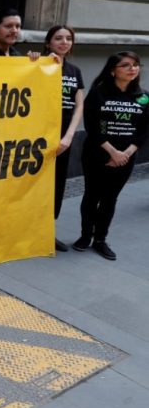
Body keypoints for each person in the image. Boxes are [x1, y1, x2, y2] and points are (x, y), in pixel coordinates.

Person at [72, 51, 149, 260]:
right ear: (113, 71)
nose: (132, 68)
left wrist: (125, 153)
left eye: (135, 64)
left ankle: (100, 240)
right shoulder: (99, 93)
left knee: (109, 199)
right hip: (97, 154)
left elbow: (143, 131)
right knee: (91, 196)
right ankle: (85, 236)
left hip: (126, 157)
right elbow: (92, 125)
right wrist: (112, 151)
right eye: (126, 65)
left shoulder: (143, 97)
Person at [44, 26, 85, 252]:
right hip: (38, 139)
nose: (64, 42)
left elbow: (79, 105)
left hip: (63, 140)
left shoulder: (75, 71)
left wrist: (68, 137)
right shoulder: (38, 64)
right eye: (58, 38)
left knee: (57, 185)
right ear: (48, 42)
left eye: (68, 38)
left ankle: (48, 232)